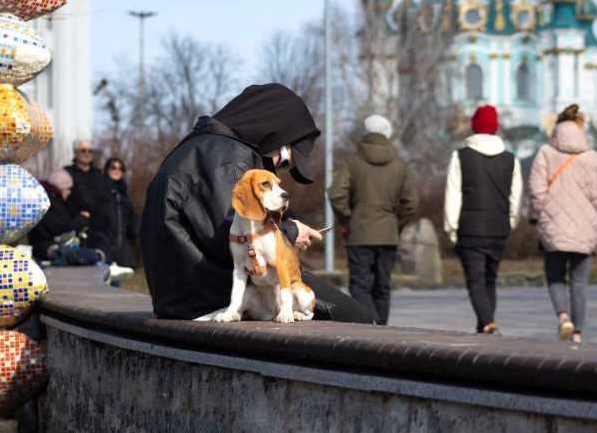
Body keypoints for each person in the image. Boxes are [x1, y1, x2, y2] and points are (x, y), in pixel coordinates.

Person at [140, 83, 374, 323]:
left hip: (188, 296)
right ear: (277, 136)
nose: (275, 169)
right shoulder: (225, 160)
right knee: (360, 320)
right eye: (283, 162)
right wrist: (292, 231)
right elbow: (237, 234)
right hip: (208, 299)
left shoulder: (205, 149)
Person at [529, 104, 597, 347]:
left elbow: (536, 191)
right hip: (586, 229)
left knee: (555, 278)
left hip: (553, 226)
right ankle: (577, 333)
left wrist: (537, 216)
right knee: (579, 283)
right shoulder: (593, 157)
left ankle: (563, 317)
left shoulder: (545, 152)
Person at [328, 115, 417, 325]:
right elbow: (410, 202)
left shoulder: (353, 162)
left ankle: (369, 324)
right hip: (389, 233)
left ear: (366, 133)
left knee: (360, 285)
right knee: (383, 285)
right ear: (388, 134)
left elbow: (335, 194)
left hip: (359, 232)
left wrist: (348, 218)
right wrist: (397, 224)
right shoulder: (400, 164)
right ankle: (381, 327)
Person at [443, 105, 522, 335]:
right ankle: (484, 327)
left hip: (470, 228)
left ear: (474, 127)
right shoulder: (511, 159)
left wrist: (452, 228)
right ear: (495, 128)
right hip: (498, 228)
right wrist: (510, 222)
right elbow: (515, 197)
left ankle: (488, 323)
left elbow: (453, 193)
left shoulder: (461, 156)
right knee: (490, 279)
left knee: (476, 281)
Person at [27, 169, 134, 281]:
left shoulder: (51, 201)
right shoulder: (50, 204)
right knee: (80, 254)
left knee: (95, 241)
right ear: (60, 188)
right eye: (68, 189)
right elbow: (62, 227)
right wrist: (82, 219)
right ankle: (105, 264)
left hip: (51, 246)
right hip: (48, 248)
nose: (69, 192)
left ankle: (106, 263)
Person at [66, 140, 118, 260]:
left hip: (98, 230)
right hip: (74, 230)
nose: (87, 153)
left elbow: (107, 201)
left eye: (90, 151)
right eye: (83, 150)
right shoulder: (67, 173)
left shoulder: (100, 175)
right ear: (75, 153)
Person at [105, 157, 139, 268]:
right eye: (113, 167)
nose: (117, 170)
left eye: (120, 168)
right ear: (106, 170)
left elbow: (131, 218)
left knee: (117, 283)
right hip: (104, 245)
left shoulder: (124, 193)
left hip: (121, 246)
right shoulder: (100, 188)